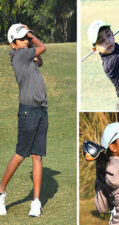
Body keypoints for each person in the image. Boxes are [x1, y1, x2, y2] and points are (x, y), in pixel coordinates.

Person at [0, 24, 48, 217]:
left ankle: (35, 202)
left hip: (42, 110)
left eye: (27, 38)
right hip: (28, 112)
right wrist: (30, 33)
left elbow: (41, 61)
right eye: (22, 38)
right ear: (13, 44)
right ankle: (1, 190)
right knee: (21, 154)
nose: (27, 40)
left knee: (37, 156)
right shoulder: (19, 55)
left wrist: (26, 38)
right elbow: (42, 47)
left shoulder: (27, 55)